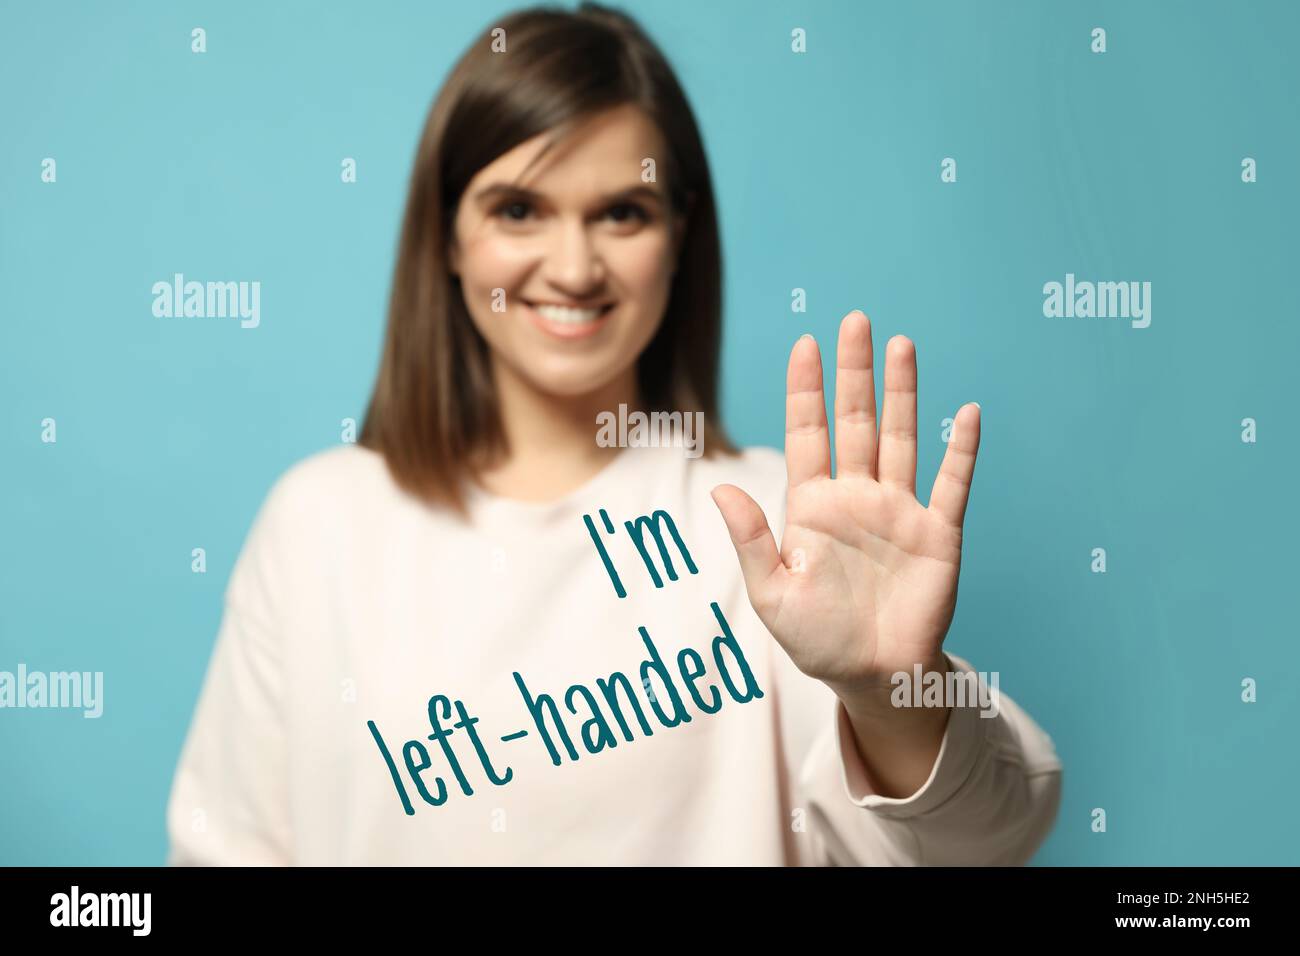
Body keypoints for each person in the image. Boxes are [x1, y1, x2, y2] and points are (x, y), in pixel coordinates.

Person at [165, 2, 1061, 866]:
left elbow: (986, 837)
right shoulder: (320, 523)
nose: (572, 267)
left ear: (677, 238)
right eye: (518, 209)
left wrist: (891, 693)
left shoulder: (787, 526)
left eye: (620, 213)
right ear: (446, 237)